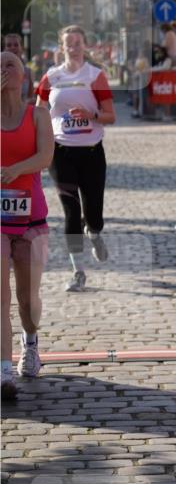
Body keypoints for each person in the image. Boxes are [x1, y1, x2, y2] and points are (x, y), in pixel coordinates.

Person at [36, 25, 116, 292]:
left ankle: (94, 232)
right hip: (61, 153)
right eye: (68, 43)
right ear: (62, 47)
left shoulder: (96, 76)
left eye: (77, 42)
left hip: (92, 152)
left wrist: (90, 116)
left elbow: (110, 116)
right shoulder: (51, 77)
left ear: (85, 45)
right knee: (71, 212)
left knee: (93, 213)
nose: (73, 47)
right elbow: (40, 113)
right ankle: (78, 271)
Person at [1, 50, 54, 399]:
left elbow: (46, 157)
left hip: (32, 217)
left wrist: (16, 170)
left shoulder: (38, 116)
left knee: (26, 298)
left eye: (10, 65)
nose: (3, 70)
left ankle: (30, 341)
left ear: (24, 77)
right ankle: (4, 370)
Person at [3, 33, 34, 101]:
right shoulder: (1, 71)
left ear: (21, 48)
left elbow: (31, 98)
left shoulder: (28, 72)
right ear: (4, 49)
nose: (13, 47)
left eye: (16, 45)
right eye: (9, 45)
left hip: (22, 110)